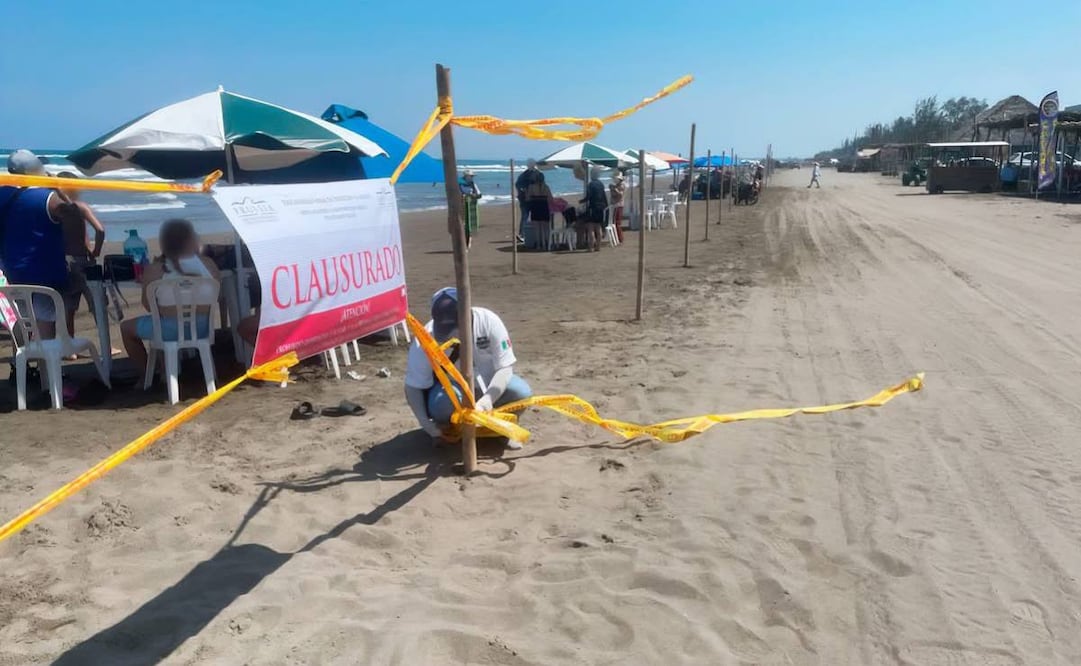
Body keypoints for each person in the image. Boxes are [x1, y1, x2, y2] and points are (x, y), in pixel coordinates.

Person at [404, 287, 533, 450]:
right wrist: (428, 427)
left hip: (490, 384)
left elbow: (505, 368)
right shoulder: (425, 338)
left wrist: (487, 401)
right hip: (453, 390)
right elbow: (413, 386)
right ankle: (449, 432)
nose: (452, 334)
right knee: (440, 405)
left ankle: (502, 430)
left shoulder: (489, 321)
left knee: (521, 393)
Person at [119, 219, 221, 377]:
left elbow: (148, 306)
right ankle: (166, 367)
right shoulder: (208, 264)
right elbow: (217, 296)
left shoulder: (154, 270)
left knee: (126, 327)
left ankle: (146, 374)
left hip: (168, 331)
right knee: (160, 322)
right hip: (202, 329)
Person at [0, 150, 82, 340]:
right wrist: (57, 188)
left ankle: (20, 366)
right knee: (45, 326)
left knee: (21, 322)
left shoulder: (4, 194)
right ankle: (49, 369)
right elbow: (73, 214)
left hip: (12, 272)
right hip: (45, 275)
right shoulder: (48, 198)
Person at [55, 172, 106, 340]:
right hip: (83, 260)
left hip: (63, 261)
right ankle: (106, 343)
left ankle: (70, 347)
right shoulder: (80, 207)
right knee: (97, 303)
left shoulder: (56, 210)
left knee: (68, 307)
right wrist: (96, 250)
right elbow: (100, 230)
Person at [580, 167, 608, 252]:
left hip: (593, 207)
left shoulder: (590, 184)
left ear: (592, 175)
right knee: (598, 227)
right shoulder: (601, 184)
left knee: (591, 228)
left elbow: (589, 197)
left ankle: (591, 247)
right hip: (601, 208)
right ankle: (598, 246)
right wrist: (605, 207)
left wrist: (582, 201)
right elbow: (604, 196)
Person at [524, 171, 553, 249]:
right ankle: (547, 243)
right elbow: (550, 199)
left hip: (535, 207)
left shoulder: (531, 187)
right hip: (544, 207)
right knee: (546, 228)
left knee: (537, 228)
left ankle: (539, 245)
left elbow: (527, 199)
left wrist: (526, 192)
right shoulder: (546, 187)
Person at [515, 159, 540, 243]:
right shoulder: (534, 174)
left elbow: (517, 185)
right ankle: (525, 234)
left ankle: (524, 234)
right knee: (528, 217)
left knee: (525, 217)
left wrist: (521, 192)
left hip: (526, 199)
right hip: (529, 199)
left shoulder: (524, 174)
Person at [458, 169, 481, 248]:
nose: (472, 177)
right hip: (461, 205)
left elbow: (479, 194)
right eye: (471, 176)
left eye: (472, 176)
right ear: (466, 176)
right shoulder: (459, 183)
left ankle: (468, 241)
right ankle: (463, 242)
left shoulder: (473, 184)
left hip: (471, 206)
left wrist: (473, 196)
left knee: (470, 225)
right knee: (462, 224)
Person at [608, 173, 626, 242]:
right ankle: (617, 237)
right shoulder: (617, 185)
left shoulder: (621, 186)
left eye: (615, 179)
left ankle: (620, 238)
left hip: (618, 205)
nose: (614, 180)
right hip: (616, 205)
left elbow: (620, 195)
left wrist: (614, 189)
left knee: (617, 222)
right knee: (615, 222)